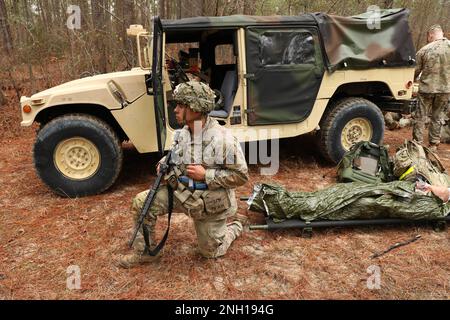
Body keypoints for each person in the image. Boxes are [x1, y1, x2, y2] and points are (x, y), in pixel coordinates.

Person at [118, 81, 249, 268]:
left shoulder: (222, 139)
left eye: (181, 105)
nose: (176, 110)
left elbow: (241, 176)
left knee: (210, 253)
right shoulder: (184, 132)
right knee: (142, 203)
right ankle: (146, 253)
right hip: (181, 192)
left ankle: (235, 227)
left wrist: (206, 175)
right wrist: (165, 162)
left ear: (196, 108)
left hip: (208, 202)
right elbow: (178, 155)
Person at [412, 25, 450, 152]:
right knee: (437, 117)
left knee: (420, 117)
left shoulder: (424, 50)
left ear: (430, 35)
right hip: (445, 90)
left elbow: (415, 71)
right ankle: (433, 145)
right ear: (442, 34)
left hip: (426, 90)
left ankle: (417, 144)